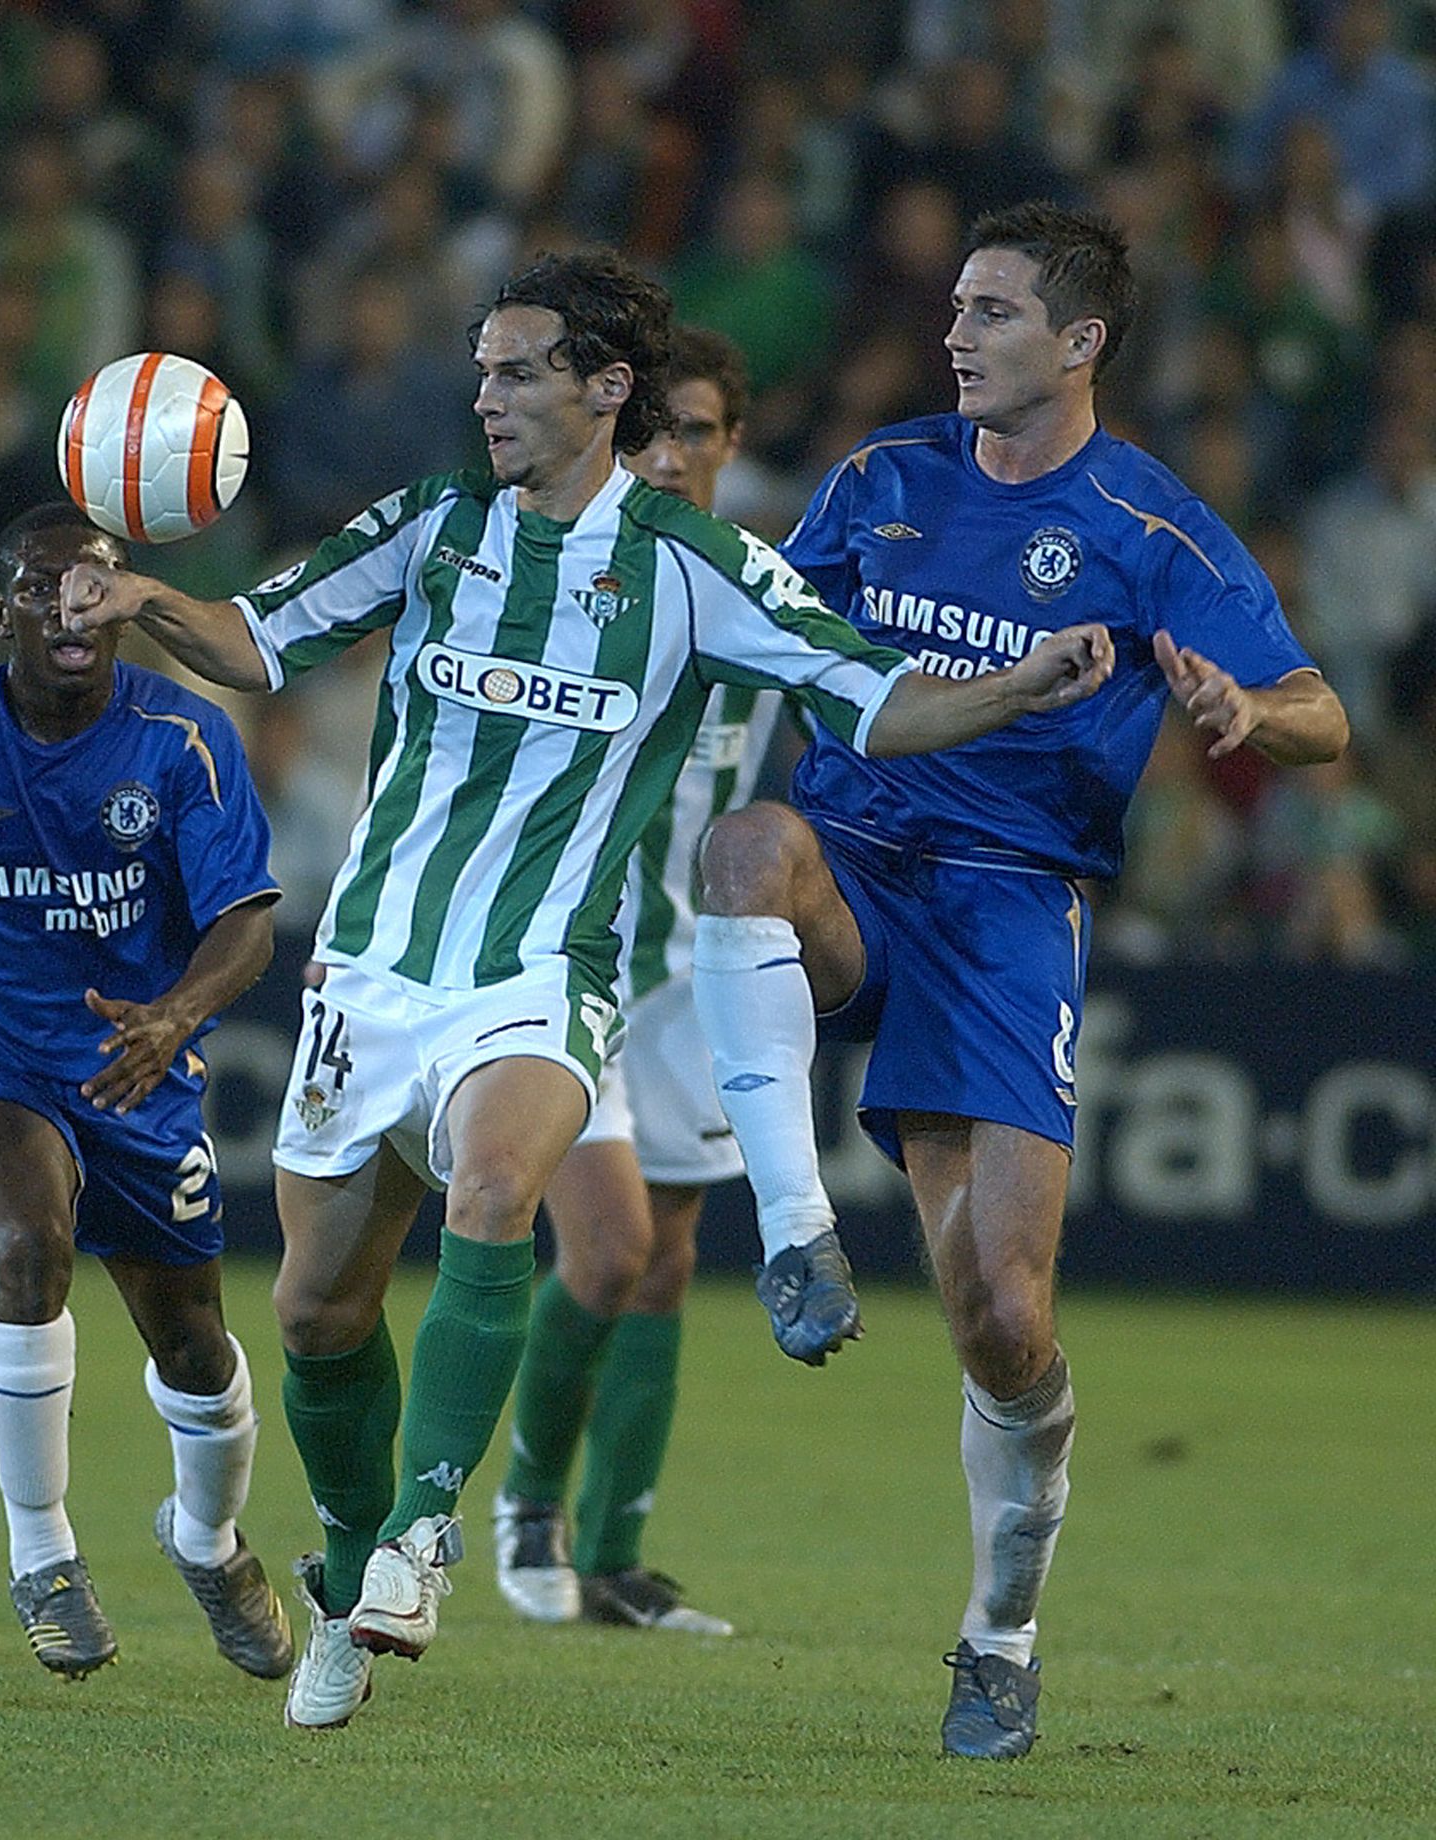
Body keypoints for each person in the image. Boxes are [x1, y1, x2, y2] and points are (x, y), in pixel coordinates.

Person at [56, 246, 1115, 1733]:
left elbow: (874, 695)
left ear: (605, 387)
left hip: (546, 970)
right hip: (375, 966)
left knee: (501, 1193)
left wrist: (1022, 684)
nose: (483, 394)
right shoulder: (430, 530)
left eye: (516, 369)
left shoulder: (693, 565)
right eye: (480, 368)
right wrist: (146, 598)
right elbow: (258, 642)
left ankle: (429, 1539)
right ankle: (355, 1570)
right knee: (309, 1315)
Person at [687, 201, 1349, 1760]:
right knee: (744, 851)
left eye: (991, 313)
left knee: (1000, 1313)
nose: (958, 335)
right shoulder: (883, 478)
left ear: (1080, 342)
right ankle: (791, 1234)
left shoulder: (1149, 529)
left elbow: (1323, 711)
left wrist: (1252, 710)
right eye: (959, 309)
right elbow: (775, 636)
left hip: (1003, 911)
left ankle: (1000, 1631)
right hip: (854, 853)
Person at [0, 502, 294, 1683]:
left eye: (97, 581)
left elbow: (246, 918)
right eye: (44, 586)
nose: (73, 604)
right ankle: (43, 1557)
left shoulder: (182, 740)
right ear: (2, 616)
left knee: (193, 1345)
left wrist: (177, 1016)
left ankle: (207, 1541)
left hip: (136, 1071)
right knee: (30, 1242)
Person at [494, 326, 770, 1637]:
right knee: (607, 1253)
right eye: (659, 429)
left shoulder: (762, 589)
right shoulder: (574, 571)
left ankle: (612, 1560)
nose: (676, 453)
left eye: (702, 431)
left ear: (730, 447)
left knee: (666, 1267)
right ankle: (523, 1513)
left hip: (689, 980)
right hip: (565, 952)